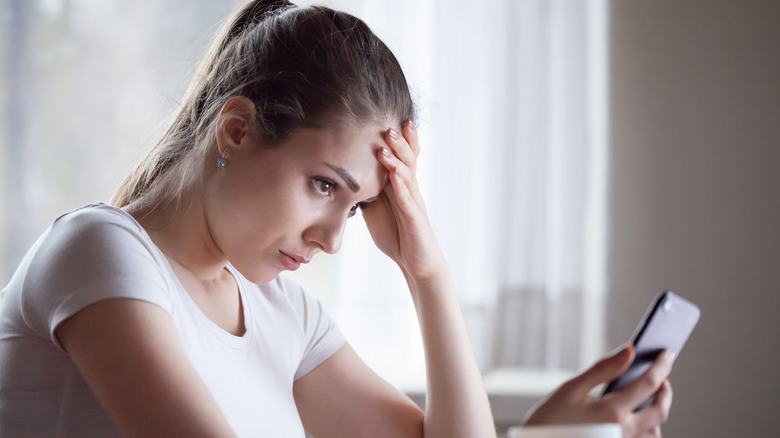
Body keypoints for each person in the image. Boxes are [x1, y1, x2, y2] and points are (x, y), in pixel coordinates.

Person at [0, 1, 674, 437]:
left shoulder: (280, 312)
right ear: (235, 129)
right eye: (324, 184)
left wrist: (425, 269)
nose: (332, 238)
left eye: (355, 205)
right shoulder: (102, 251)